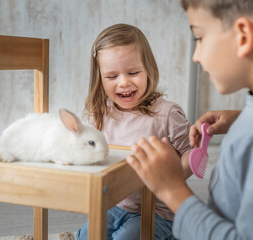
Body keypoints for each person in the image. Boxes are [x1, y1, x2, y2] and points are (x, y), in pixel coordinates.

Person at [126, 0, 253, 239]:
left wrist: (171, 189)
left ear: (243, 36)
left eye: (199, 37)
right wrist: (245, 119)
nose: (196, 56)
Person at [76, 23, 193, 240]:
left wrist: (170, 180)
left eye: (133, 72)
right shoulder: (99, 115)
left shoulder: (166, 113)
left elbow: (190, 152)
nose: (124, 82)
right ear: (99, 78)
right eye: (112, 76)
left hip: (160, 210)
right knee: (85, 236)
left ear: (148, 69)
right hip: (118, 204)